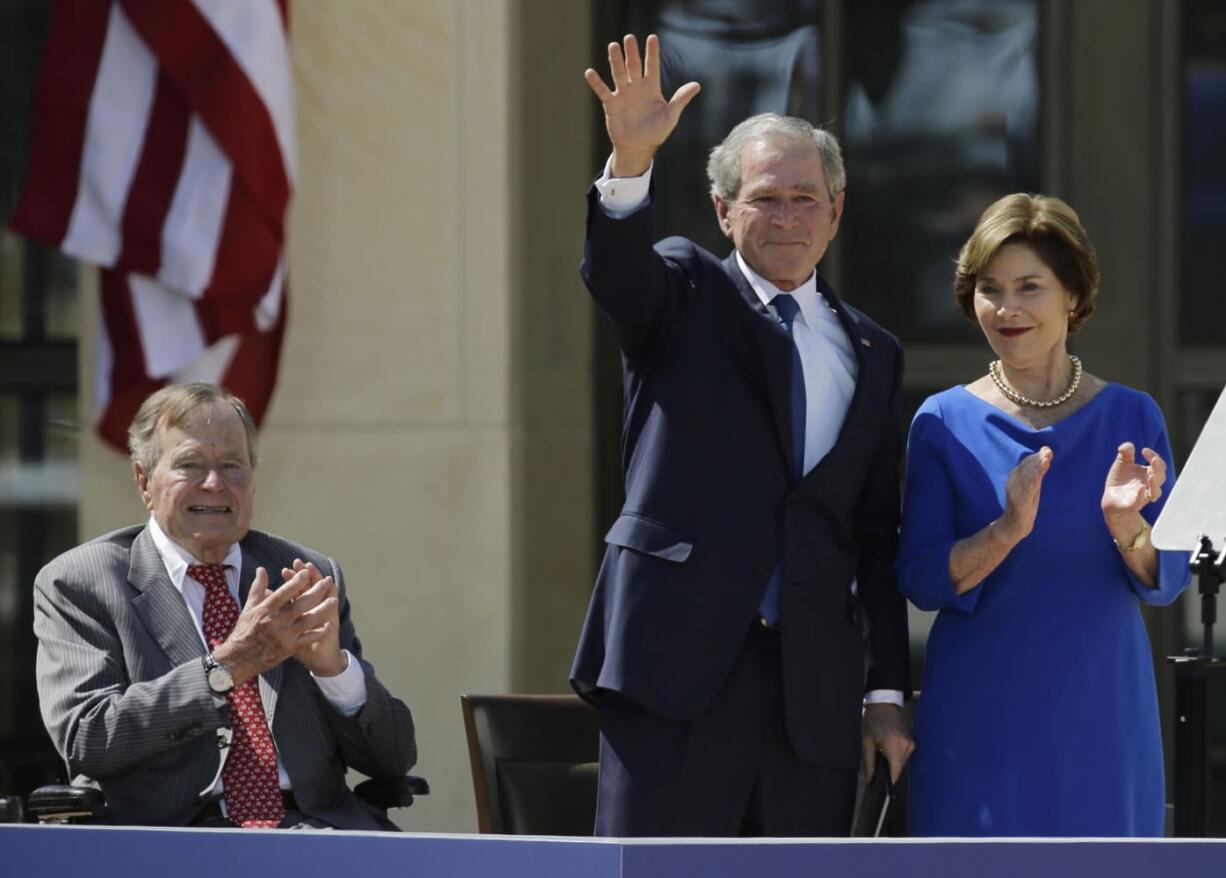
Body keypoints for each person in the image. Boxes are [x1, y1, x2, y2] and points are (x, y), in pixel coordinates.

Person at [570, 34, 913, 837]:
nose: (787, 217)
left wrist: (886, 694)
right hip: (675, 677)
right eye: (765, 198)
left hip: (813, 699)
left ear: (836, 211)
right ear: (724, 211)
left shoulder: (874, 351)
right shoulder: (685, 291)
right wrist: (628, 162)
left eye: (805, 198)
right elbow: (617, 274)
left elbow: (873, 534)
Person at [897, 193, 1191, 836]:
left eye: (1030, 286)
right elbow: (920, 578)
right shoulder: (942, 422)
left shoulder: (1133, 416)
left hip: (1100, 716)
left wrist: (1126, 529)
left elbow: (1167, 578)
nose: (1007, 309)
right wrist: (1006, 532)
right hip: (977, 717)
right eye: (989, 289)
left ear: (1072, 296)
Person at [34, 383, 416, 829]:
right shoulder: (84, 582)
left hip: (317, 837)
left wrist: (335, 673)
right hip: (174, 842)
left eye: (232, 466)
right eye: (190, 465)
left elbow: (394, 758)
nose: (214, 484)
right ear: (144, 482)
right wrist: (226, 667)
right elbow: (87, 738)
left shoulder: (301, 574)